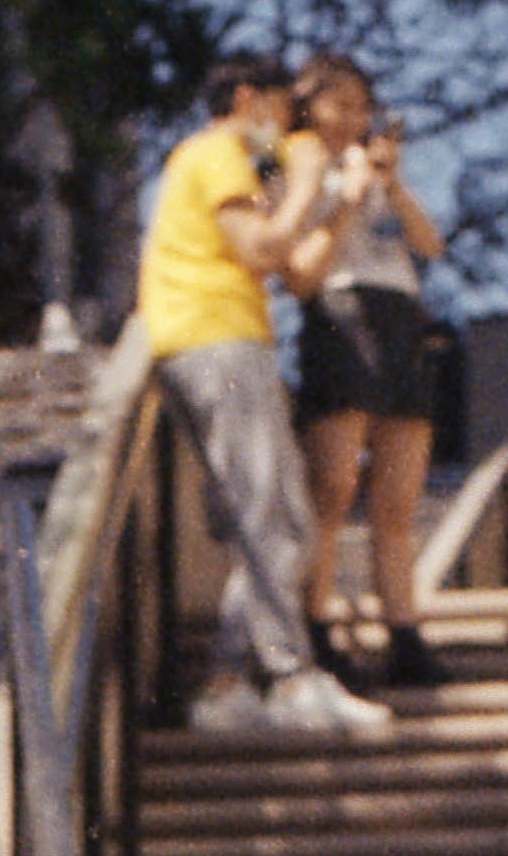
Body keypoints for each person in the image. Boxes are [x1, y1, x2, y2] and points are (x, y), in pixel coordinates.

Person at [136, 54, 387, 740]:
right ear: (248, 99)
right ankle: (286, 678)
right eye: (279, 112)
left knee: (269, 518)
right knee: (276, 515)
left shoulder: (203, 159)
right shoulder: (217, 151)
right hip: (214, 339)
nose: (281, 134)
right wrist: (307, 181)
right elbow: (261, 248)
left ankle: (232, 684)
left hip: (209, 339)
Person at [284, 56, 450, 696]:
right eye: (341, 103)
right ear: (310, 103)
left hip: (397, 310)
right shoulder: (290, 163)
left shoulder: (375, 167)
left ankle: (404, 631)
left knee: (399, 497)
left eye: (363, 106)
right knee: (332, 484)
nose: (354, 117)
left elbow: (430, 246)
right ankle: (317, 625)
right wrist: (345, 203)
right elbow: (298, 269)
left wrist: (392, 185)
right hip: (339, 308)